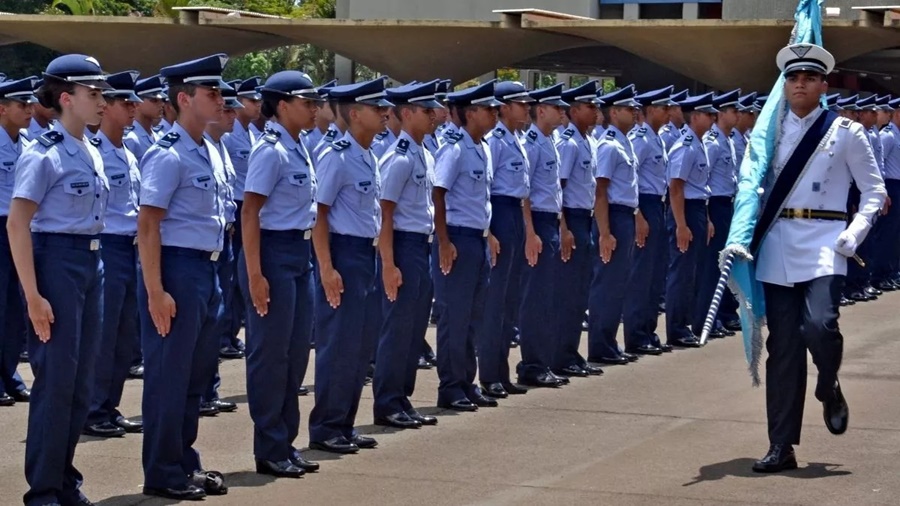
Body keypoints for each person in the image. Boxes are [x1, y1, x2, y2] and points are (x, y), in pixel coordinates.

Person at [747, 43, 885, 472]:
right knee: (784, 349)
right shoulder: (767, 133)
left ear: (824, 86)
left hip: (826, 241)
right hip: (778, 243)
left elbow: (874, 192)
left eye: (809, 78)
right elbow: (750, 190)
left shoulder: (844, 132)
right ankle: (780, 445)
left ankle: (828, 384)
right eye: (793, 78)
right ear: (784, 85)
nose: (800, 84)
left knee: (820, 325)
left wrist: (854, 234)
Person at [8, 54, 111, 506]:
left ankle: (65, 480)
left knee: (81, 382)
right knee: (55, 382)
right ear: (67, 98)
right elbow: (18, 224)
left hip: (91, 263)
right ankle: (44, 490)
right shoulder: (44, 153)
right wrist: (33, 295)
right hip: (56, 263)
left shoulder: (91, 148)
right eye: (94, 93)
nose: (103, 101)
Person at [137, 54, 231, 500]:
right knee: (169, 377)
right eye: (211, 92)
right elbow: (148, 225)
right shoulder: (168, 154)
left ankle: (182, 461)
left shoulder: (209, 149)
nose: (220, 98)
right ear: (184, 98)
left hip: (208, 268)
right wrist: (156, 290)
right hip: (177, 268)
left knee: (195, 377)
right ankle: (161, 471)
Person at [239, 70, 322, 476]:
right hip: (272, 252)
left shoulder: (298, 144)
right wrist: (255, 274)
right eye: (307, 102)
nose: (315, 109)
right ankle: (270, 446)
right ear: (283, 105)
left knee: (295, 353)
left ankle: (286, 442)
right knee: (271, 355)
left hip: (299, 251)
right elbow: (250, 213)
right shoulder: (270, 150)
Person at [308, 77, 392, 454]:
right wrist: (327, 267)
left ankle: (344, 422)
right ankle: (326, 426)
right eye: (377, 108)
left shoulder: (368, 154)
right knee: (339, 343)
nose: (385, 113)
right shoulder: (337, 156)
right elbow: (320, 214)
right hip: (343, 253)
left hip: (365, 254)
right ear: (355, 114)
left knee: (359, 345)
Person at [372, 80, 444, 429]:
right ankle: (387, 403)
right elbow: (384, 213)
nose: (434, 116)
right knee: (398, 327)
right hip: (401, 245)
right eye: (427, 110)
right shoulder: (398, 158)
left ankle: (402, 398)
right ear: (408, 113)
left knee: (414, 328)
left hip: (421, 246)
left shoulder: (424, 152)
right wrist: (388, 264)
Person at [432, 81, 502, 412]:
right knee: (455, 317)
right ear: (470, 113)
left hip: (477, 238)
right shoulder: (454, 148)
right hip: (458, 239)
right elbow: (438, 194)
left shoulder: (481, 147)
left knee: (474, 316)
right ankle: (450, 386)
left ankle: (466, 382)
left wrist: (489, 234)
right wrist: (444, 241)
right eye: (489, 110)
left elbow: (480, 200)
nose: (495, 114)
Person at [83, 71, 145, 438]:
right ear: (105, 108)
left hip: (130, 248)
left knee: (124, 335)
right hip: (108, 245)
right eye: (125, 102)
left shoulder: (128, 152)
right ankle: (93, 409)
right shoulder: (96, 152)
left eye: (134, 101)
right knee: (105, 336)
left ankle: (109, 405)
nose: (133, 108)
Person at [479, 80, 534, 398]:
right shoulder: (495, 141)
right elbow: (485, 189)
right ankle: (489, 374)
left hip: (514, 213)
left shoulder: (517, 138)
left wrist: (527, 230)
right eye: (520, 104)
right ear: (503, 108)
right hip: (499, 213)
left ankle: (501, 371)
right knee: (495, 302)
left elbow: (523, 191)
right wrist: (490, 233)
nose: (526, 108)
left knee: (511, 299)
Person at [554, 80, 607, 375]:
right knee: (568, 291)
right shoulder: (569, 143)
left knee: (580, 292)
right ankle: (561, 355)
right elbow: (559, 189)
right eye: (589, 106)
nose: (595, 111)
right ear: (574, 111)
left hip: (585, 218)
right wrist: (564, 229)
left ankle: (572, 353)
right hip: (571, 219)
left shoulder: (589, 141)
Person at [517, 83, 569, 387]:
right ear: (541, 110)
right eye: (556, 107)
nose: (562, 112)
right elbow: (525, 193)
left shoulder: (551, 142)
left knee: (549, 296)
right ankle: (532, 364)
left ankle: (543, 361)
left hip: (550, 222)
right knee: (535, 297)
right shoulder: (532, 144)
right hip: (536, 222)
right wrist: (530, 232)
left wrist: (561, 227)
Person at [587, 85, 641, 365]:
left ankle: (609, 342)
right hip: (613, 216)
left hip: (625, 214)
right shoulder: (609, 145)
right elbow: (600, 191)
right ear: (615, 112)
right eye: (629, 109)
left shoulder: (625, 142)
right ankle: (600, 344)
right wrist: (605, 232)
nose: (635, 113)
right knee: (607, 282)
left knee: (619, 282)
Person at [197, 85, 242, 417]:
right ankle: (199, 392)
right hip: (197, 248)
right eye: (226, 109)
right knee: (200, 327)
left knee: (216, 320)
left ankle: (208, 389)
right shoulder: (197, 148)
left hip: (222, 241)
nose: (231, 115)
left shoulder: (218, 149)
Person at [622, 86, 677, 356]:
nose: (669, 113)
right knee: (641, 274)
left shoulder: (656, 139)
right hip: (644, 204)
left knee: (655, 274)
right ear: (650, 110)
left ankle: (648, 330)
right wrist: (638, 215)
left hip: (658, 205)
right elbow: (630, 180)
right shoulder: (640, 139)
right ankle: (635, 335)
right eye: (664, 108)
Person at [664, 92, 717, 349]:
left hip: (696, 209)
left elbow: (700, 186)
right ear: (694, 117)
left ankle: (684, 324)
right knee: (681, 272)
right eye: (708, 114)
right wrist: (681, 225)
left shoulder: (698, 143)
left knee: (691, 272)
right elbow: (676, 188)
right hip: (683, 210)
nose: (713, 118)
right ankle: (676, 329)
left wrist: (705, 218)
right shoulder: (685, 146)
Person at [0, 77, 36, 408]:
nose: (29, 110)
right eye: (22, 105)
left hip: (21, 227)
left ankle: (10, 373)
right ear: (2, 109)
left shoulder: (27, 143)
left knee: (15, 307)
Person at [694, 89, 742, 339]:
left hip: (727, 204)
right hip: (714, 205)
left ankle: (721, 314)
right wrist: (708, 217)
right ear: (721, 114)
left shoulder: (728, 140)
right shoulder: (712, 142)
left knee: (725, 264)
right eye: (733, 111)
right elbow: (703, 180)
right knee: (712, 266)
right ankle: (706, 319)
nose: (738, 115)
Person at [125, 75, 166, 162]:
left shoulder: (158, 135)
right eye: (154, 100)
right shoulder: (131, 139)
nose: (162, 104)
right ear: (137, 104)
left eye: (161, 100)